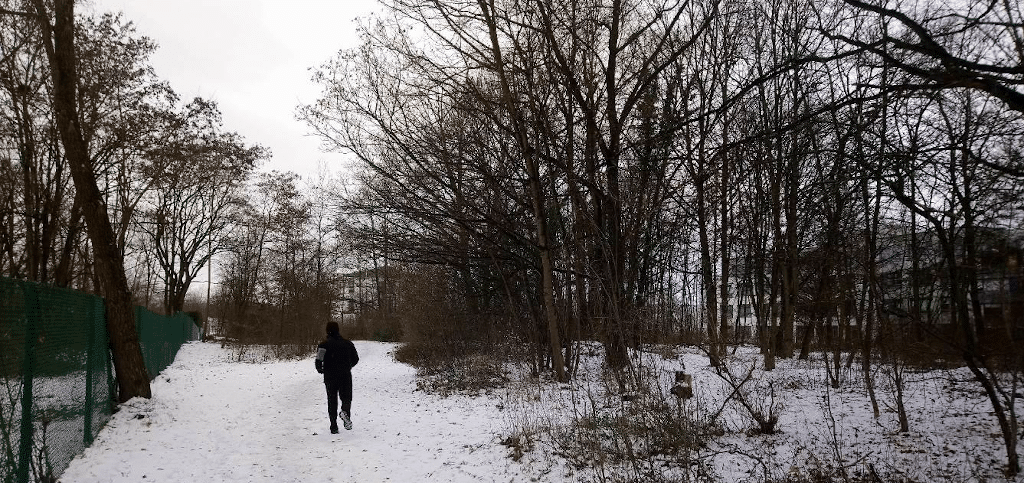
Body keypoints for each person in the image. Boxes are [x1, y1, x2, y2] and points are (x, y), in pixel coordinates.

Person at [315, 321, 359, 434]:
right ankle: (345, 412)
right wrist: (348, 366)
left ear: (327, 331)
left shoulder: (323, 345)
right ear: (338, 330)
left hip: (330, 376)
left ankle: (333, 426)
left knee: (332, 400)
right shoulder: (348, 344)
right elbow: (356, 359)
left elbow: (318, 361)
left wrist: (321, 370)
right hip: (345, 375)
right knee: (346, 398)